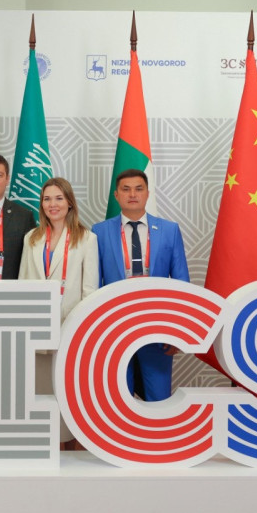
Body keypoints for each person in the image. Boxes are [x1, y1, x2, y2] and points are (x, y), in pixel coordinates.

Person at [92, 169, 190, 402]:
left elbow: (182, 283)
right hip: (115, 327)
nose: (132, 194)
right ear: (116, 195)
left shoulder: (169, 230)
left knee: (159, 398)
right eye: (126, 189)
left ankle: (159, 428)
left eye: (138, 189)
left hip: (157, 326)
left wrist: (177, 332)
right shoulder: (99, 232)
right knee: (117, 398)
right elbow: (94, 286)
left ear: (147, 193)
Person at [19, 177, 99, 448]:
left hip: (69, 328)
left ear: (70, 203)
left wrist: (80, 329)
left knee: (67, 390)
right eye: (47, 199)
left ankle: (71, 446)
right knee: (40, 390)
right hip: (37, 330)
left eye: (58, 198)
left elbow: (89, 291)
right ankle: (45, 444)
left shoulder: (87, 239)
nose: (52, 204)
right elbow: (23, 282)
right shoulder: (31, 238)